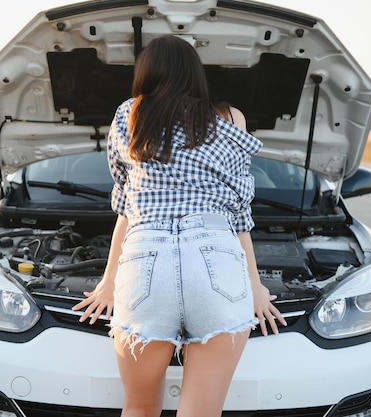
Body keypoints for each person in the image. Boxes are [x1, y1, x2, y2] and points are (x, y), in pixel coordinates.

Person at [73, 35, 286, 417]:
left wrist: (108, 283)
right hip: (216, 255)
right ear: (196, 75)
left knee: (139, 407)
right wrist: (255, 286)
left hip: (145, 257)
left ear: (146, 73)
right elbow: (239, 211)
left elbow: (127, 203)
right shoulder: (230, 117)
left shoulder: (130, 113)